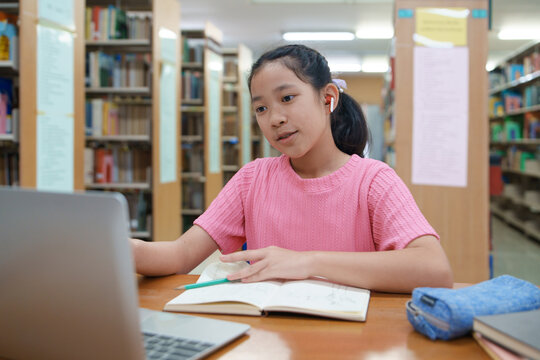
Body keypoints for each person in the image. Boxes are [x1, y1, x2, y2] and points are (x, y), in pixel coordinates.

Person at [131, 44, 453, 293]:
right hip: (269, 339)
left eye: (287, 97)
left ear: (328, 98)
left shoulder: (373, 181)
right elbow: (179, 254)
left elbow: (434, 269)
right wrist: (116, 248)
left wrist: (307, 261)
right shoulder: (251, 180)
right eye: (261, 107)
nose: (275, 118)